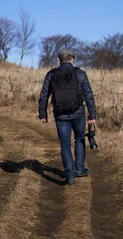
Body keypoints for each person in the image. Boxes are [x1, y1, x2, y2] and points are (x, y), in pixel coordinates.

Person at [38, 49, 97, 185]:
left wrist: (43, 114)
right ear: (72, 59)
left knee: (65, 144)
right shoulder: (80, 74)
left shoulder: (52, 74)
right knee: (79, 138)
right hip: (79, 113)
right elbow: (88, 95)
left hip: (60, 115)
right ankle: (80, 169)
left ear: (59, 60)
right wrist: (92, 115)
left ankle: (70, 176)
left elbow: (44, 95)